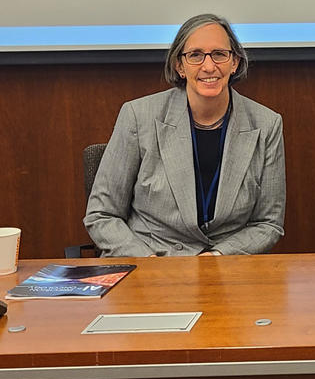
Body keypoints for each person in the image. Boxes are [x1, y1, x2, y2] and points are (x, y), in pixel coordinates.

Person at [84, 13, 285, 256]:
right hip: (151, 263)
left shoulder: (267, 124)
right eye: (195, 55)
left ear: (235, 63)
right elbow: (102, 214)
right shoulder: (138, 115)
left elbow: (268, 223)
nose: (209, 66)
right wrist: (150, 262)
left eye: (220, 54)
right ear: (179, 66)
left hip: (226, 266)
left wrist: (216, 257)